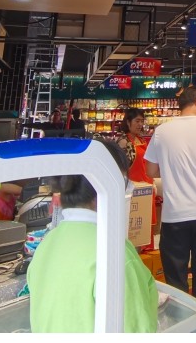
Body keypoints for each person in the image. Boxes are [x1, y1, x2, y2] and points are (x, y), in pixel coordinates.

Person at [27, 139, 158, 334]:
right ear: (103, 189)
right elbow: (137, 328)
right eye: (123, 184)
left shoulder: (48, 243)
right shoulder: (115, 254)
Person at [144, 86, 196, 304]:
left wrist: (172, 170)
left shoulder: (162, 131)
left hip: (175, 215)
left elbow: (150, 171)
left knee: (175, 276)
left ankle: (181, 318)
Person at [118, 108, 152, 185]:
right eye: (137, 121)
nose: (140, 124)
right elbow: (121, 169)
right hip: (133, 186)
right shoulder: (124, 142)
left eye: (142, 121)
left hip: (147, 184)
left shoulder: (141, 140)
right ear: (128, 122)